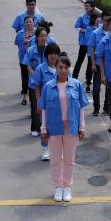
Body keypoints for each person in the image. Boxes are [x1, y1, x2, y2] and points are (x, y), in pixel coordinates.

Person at [39, 54, 89, 202]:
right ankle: (58, 187)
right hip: (53, 127)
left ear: (69, 69)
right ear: (56, 68)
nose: (63, 70)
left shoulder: (76, 85)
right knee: (55, 159)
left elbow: (81, 108)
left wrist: (82, 127)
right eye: (60, 67)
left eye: (66, 67)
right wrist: (43, 128)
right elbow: (44, 109)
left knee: (69, 159)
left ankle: (66, 186)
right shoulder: (48, 86)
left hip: (71, 127)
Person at [31, 44, 61, 161]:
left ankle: (58, 149)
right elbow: (37, 86)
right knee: (44, 128)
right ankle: (45, 150)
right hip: (46, 105)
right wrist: (39, 102)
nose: (53, 56)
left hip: (60, 104)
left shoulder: (62, 67)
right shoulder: (40, 69)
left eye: (55, 54)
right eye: (50, 54)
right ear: (46, 55)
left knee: (59, 128)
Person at [22, 26, 52, 136]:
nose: (43, 38)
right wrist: (35, 74)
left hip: (47, 82)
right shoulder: (31, 50)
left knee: (48, 105)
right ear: (37, 37)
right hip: (34, 83)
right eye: (41, 36)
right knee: (36, 106)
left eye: (45, 36)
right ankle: (35, 128)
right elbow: (28, 65)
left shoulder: (50, 49)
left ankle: (47, 127)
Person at [88, 8, 110, 115]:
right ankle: (96, 107)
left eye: (109, 20)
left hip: (109, 66)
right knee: (96, 88)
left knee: (109, 89)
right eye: (106, 20)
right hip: (97, 65)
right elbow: (92, 49)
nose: (108, 22)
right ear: (101, 20)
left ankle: (106, 107)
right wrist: (92, 63)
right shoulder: (95, 33)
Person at [72, 0, 96, 87]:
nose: (86, 8)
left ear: (93, 7)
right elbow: (77, 26)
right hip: (84, 42)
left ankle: (88, 79)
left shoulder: (96, 17)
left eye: (88, 6)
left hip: (92, 44)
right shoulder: (81, 17)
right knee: (80, 60)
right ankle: (74, 76)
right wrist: (85, 30)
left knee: (90, 62)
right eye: (85, 6)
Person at [14, 15, 36, 105]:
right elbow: (18, 44)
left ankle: (33, 95)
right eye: (27, 22)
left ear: (33, 22)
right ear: (24, 23)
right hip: (23, 59)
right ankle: (25, 94)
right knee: (25, 77)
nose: (29, 23)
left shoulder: (37, 33)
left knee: (33, 76)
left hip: (34, 59)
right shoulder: (20, 33)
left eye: (30, 22)